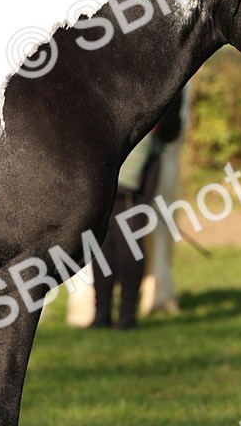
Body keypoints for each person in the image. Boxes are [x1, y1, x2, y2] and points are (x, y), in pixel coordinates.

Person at [90, 95, 185, 330]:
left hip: (122, 163)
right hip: (133, 163)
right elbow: (171, 130)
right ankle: (117, 315)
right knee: (117, 238)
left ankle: (115, 315)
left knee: (117, 237)